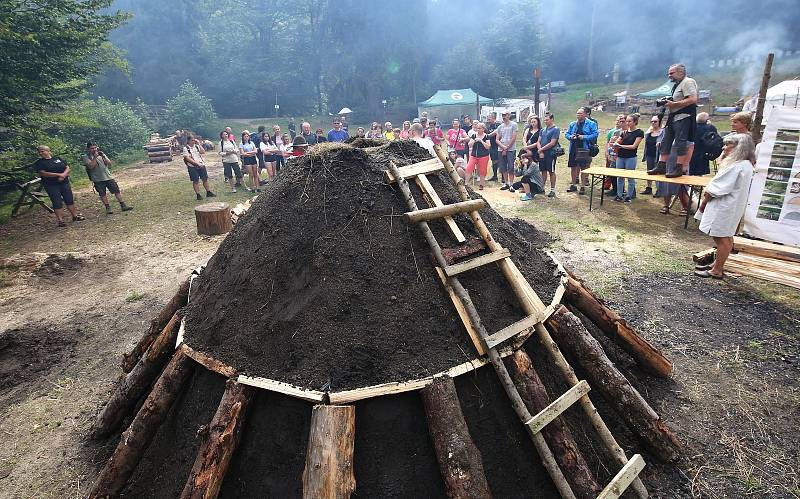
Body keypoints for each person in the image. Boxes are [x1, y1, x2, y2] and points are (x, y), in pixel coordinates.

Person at [694, 133, 755, 279]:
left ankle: (717, 270)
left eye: (728, 145)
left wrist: (706, 197)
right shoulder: (744, 164)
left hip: (724, 206)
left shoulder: (737, 166)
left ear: (739, 148)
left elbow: (719, 188)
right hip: (731, 206)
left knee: (721, 238)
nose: (724, 147)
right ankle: (717, 264)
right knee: (726, 236)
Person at [648, 63, 698, 178]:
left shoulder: (688, 82)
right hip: (673, 116)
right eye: (668, 73)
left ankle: (679, 167)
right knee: (666, 141)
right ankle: (661, 165)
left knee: (681, 142)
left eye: (671, 73)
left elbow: (693, 99)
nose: (669, 76)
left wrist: (674, 104)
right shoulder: (678, 84)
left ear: (681, 72)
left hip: (684, 116)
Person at [34, 145, 85, 226]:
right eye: (39, 152)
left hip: (64, 183)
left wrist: (63, 175)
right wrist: (58, 175)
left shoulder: (57, 158)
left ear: (48, 150)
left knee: (69, 200)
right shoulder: (39, 163)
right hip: (51, 185)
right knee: (57, 202)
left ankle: (75, 216)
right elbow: (43, 173)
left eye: (42, 151)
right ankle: (60, 221)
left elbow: (67, 167)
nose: (41, 153)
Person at [82, 143, 133, 214]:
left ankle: (123, 205)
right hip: (97, 179)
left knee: (116, 191)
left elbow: (109, 163)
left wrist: (103, 156)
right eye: (92, 148)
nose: (94, 149)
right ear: (88, 149)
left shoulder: (101, 154)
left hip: (108, 177)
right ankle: (108, 208)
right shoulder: (86, 157)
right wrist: (94, 157)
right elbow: (91, 166)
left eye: (95, 148)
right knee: (102, 194)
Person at [565, 107, 599, 194]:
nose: (578, 115)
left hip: (584, 148)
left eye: (580, 113)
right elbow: (567, 133)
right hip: (573, 148)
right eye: (577, 113)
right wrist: (570, 137)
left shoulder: (591, 124)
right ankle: (573, 184)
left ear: (585, 114)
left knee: (583, 167)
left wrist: (584, 137)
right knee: (573, 167)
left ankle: (583, 186)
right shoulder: (573, 124)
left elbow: (595, 134)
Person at [612, 114, 644, 203]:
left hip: (631, 157)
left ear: (635, 122)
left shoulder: (639, 132)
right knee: (620, 177)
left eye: (630, 121)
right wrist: (614, 143)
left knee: (630, 177)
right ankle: (619, 195)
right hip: (620, 157)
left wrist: (620, 145)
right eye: (627, 121)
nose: (627, 123)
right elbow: (617, 141)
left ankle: (629, 196)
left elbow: (634, 146)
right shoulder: (624, 132)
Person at [183, 134, 216, 200]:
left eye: (194, 140)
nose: (193, 141)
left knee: (205, 179)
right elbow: (187, 158)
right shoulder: (186, 148)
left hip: (201, 164)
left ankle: (208, 192)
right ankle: (198, 194)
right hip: (192, 166)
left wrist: (199, 144)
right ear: (188, 141)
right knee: (195, 180)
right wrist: (197, 164)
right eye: (192, 140)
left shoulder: (197, 146)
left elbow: (203, 152)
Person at [536, 113, 560, 198]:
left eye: (547, 120)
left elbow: (552, 142)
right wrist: (540, 151)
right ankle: (542, 188)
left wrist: (541, 149)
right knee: (543, 171)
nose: (545, 121)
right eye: (544, 120)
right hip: (542, 154)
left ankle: (552, 190)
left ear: (552, 119)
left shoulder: (555, 129)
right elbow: (538, 141)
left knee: (551, 171)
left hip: (550, 154)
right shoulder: (542, 130)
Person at [496, 111, 518, 192]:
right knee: (503, 166)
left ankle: (511, 184)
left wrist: (506, 148)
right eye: (502, 115)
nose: (504, 117)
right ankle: (506, 183)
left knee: (511, 166)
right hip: (501, 149)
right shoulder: (500, 127)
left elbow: (514, 137)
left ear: (509, 115)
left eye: (505, 115)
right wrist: (503, 148)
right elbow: (497, 139)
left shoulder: (514, 125)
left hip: (511, 149)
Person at [465, 121, 491, 190]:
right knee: (469, 168)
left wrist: (481, 141)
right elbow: (469, 145)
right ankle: (466, 184)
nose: (478, 129)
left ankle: (481, 184)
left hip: (483, 156)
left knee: (482, 170)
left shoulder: (486, 136)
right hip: (474, 155)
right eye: (477, 128)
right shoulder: (474, 135)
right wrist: (474, 141)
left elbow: (488, 146)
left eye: (479, 128)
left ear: (483, 129)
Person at [641, 116, 662, 195]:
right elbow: (646, 145)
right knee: (649, 171)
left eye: (655, 121)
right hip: (649, 155)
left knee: (658, 172)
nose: (653, 123)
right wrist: (644, 155)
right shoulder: (648, 132)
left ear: (659, 122)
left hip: (658, 156)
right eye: (652, 121)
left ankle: (659, 190)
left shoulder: (662, 132)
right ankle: (649, 188)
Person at [605, 114, 625, 197]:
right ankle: (614, 189)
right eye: (618, 120)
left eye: (622, 121)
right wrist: (608, 153)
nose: (619, 122)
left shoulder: (627, 132)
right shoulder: (614, 132)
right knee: (612, 172)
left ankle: (621, 190)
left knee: (621, 174)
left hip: (622, 155)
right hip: (613, 154)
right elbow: (609, 143)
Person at [485, 112, 500, 181]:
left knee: (500, 160)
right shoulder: (488, 126)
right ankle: (495, 176)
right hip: (492, 146)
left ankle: (503, 177)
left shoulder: (498, 125)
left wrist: (488, 135)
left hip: (498, 145)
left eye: (489, 118)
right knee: (493, 160)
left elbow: (496, 133)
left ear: (494, 118)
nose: (488, 119)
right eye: (487, 118)